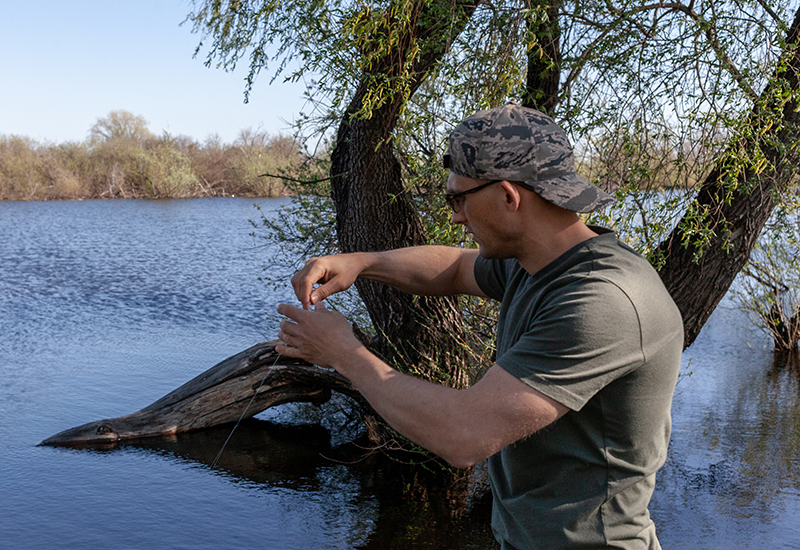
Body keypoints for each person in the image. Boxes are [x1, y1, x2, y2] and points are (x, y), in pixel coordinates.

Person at [274, 103, 683, 549]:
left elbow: (464, 435)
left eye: (459, 198)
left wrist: (342, 353)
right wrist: (360, 263)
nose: (455, 216)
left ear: (509, 196)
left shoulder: (601, 301)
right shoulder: (538, 264)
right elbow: (453, 267)